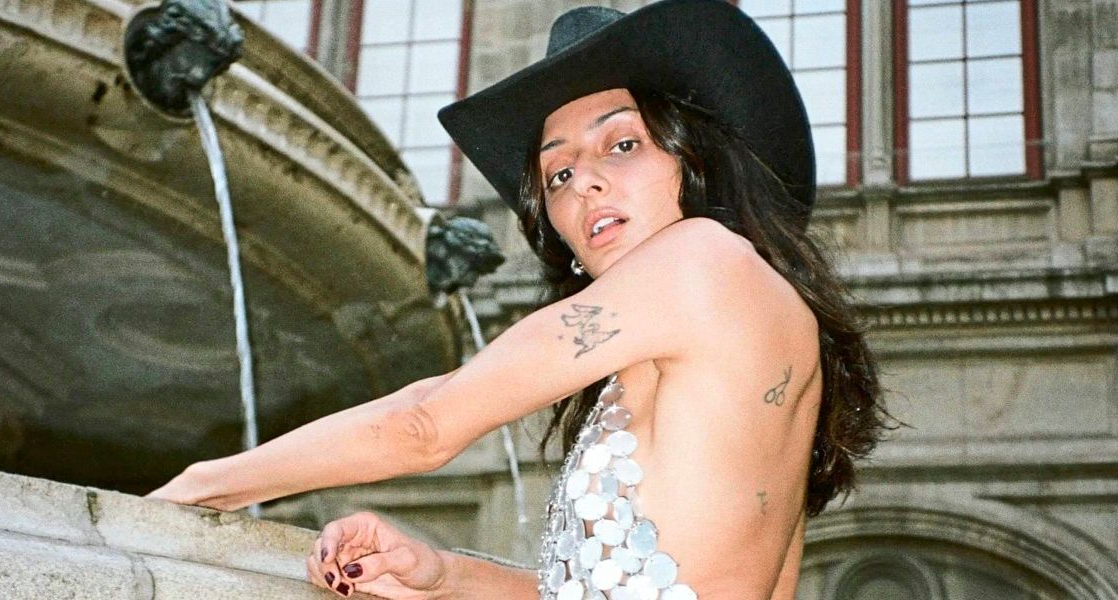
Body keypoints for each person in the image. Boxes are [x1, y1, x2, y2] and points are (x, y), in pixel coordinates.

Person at [146, 1, 890, 598]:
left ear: (695, 161)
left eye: (622, 144)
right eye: (557, 174)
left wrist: (205, 486)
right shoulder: (736, 307)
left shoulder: (699, 259)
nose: (584, 181)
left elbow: (425, 421)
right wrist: (443, 577)